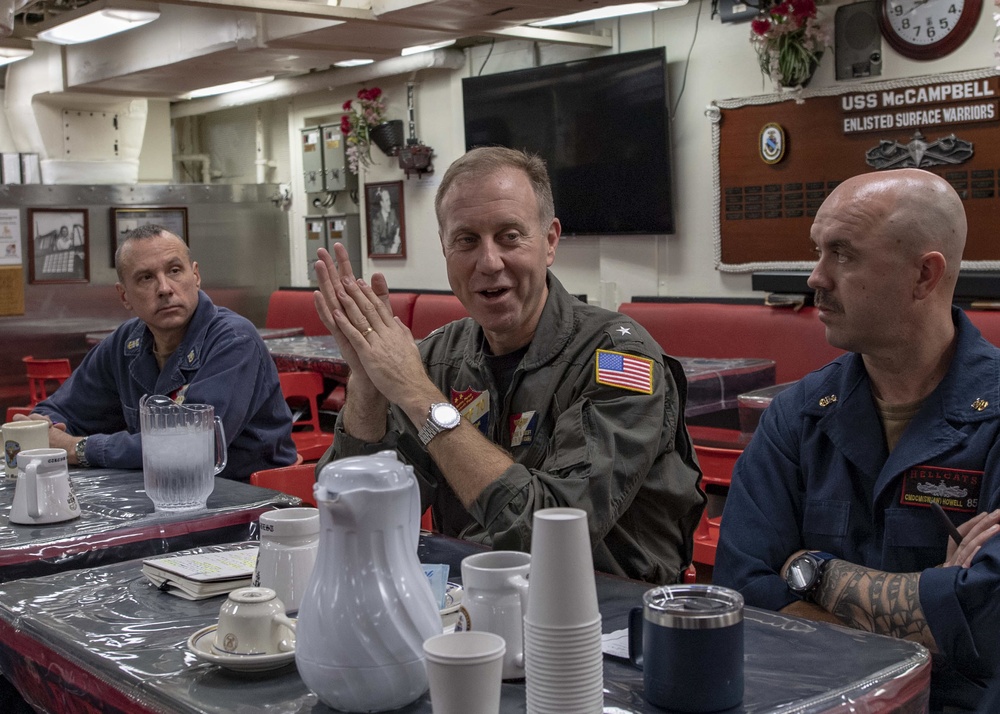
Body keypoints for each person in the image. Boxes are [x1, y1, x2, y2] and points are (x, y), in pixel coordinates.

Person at [313, 146, 705, 584]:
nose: (489, 262)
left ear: (550, 241)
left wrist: (418, 395)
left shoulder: (619, 359)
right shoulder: (439, 357)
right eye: (466, 240)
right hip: (469, 606)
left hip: (604, 616)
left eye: (510, 236)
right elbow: (354, 514)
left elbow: (548, 532)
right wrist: (367, 382)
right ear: (445, 249)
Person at [714, 169, 1000, 711]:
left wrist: (814, 572)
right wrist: (938, 606)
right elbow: (745, 589)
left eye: (842, 254)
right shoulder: (797, 415)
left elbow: (991, 618)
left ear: (923, 275)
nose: (815, 278)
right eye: (818, 252)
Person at [19, 224, 296, 481]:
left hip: (248, 500)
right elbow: (61, 409)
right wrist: (43, 427)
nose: (164, 288)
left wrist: (80, 448)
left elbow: (193, 445)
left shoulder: (233, 340)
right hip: (161, 494)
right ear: (124, 296)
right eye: (146, 278)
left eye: (175, 270)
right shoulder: (125, 344)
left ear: (196, 276)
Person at [369, 187, 401, 254]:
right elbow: (376, 246)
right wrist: (391, 251)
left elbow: (398, 230)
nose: (389, 203)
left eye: (389, 199)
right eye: (386, 200)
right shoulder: (376, 220)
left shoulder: (393, 214)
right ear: (381, 203)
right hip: (383, 255)